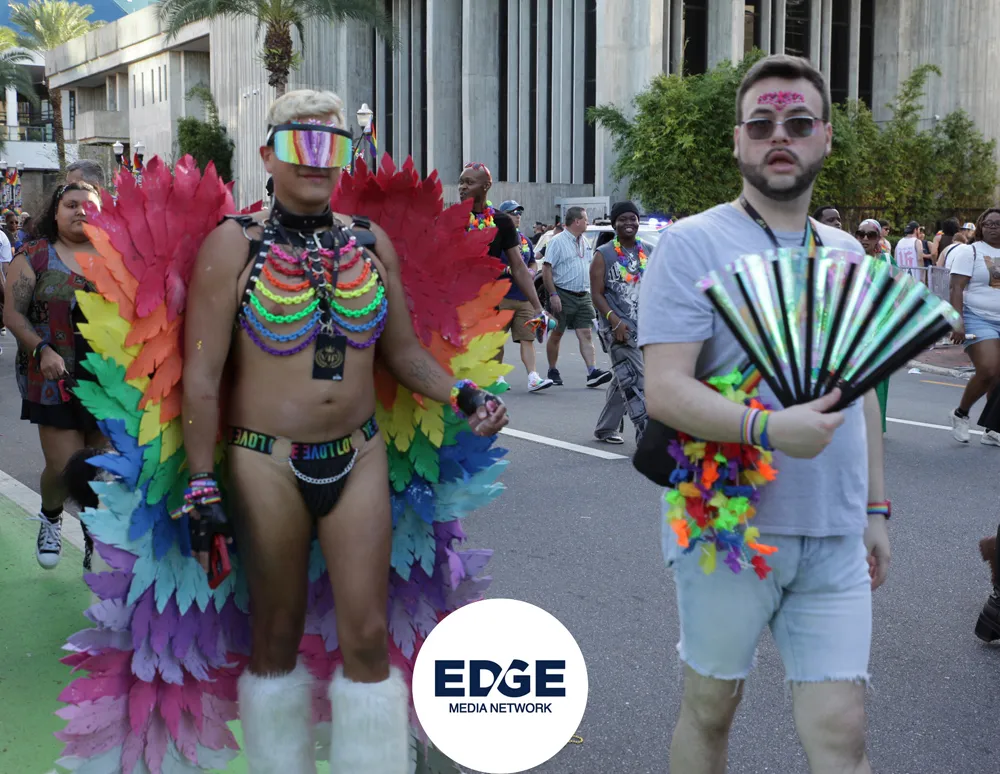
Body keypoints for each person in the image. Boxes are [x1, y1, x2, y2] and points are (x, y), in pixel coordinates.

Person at [182, 90, 507, 772]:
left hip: (358, 457)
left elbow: (403, 353)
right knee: (275, 633)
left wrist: (464, 394)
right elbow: (203, 378)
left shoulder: (369, 242)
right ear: (268, 155)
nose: (315, 159)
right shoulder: (232, 245)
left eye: (330, 145)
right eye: (299, 143)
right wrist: (202, 484)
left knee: (366, 634)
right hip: (264, 461)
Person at [640, 54, 889, 774]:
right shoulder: (691, 243)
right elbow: (665, 389)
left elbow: (861, 395)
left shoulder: (847, 253)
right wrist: (770, 429)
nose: (780, 135)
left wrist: (876, 509)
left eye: (799, 123)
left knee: (843, 732)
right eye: (761, 124)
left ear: (826, 137)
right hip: (728, 528)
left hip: (835, 533)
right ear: (738, 140)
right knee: (711, 708)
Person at [2, 182, 105, 571]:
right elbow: (13, 314)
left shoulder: (118, 255)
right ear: (56, 212)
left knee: (97, 468)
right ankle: (51, 515)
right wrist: (41, 349)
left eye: (89, 205)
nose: (80, 211)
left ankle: (95, 540)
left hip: (107, 379)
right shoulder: (34, 255)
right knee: (65, 468)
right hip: (52, 376)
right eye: (71, 205)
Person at [591, 201, 649, 444]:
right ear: (614, 224)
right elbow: (596, 294)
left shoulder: (647, 251)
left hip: (643, 328)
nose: (628, 223)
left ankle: (606, 428)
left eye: (632, 218)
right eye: (622, 219)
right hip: (617, 329)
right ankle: (647, 439)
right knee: (637, 381)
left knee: (624, 377)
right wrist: (614, 322)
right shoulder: (603, 254)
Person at [946, 208, 1000, 446]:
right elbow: (956, 287)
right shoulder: (971, 251)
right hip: (978, 317)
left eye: (998, 224)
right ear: (981, 226)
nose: (992, 227)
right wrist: (957, 322)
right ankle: (961, 413)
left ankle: (992, 429)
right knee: (988, 369)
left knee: (998, 377)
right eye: (988, 223)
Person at [541, 206, 611, 388]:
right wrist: (553, 294)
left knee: (586, 333)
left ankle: (592, 371)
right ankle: (552, 369)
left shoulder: (584, 241)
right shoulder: (557, 242)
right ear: (577, 221)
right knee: (557, 333)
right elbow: (546, 269)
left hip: (583, 294)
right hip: (563, 293)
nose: (588, 222)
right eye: (585, 219)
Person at [496, 199, 553, 392]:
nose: (518, 216)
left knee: (527, 338)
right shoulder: (495, 238)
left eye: (519, 213)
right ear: (503, 216)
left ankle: (533, 377)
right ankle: (497, 377)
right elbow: (486, 263)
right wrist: (507, 269)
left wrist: (531, 270)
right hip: (501, 297)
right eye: (513, 213)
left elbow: (532, 261)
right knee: (497, 340)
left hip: (524, 298)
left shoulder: (524, 240)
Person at [856, 218, 896, 433]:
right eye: (860, 233)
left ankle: (875, 425)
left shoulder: (888, 260)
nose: (864, 238)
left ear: (879, 238)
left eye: (870, 235)